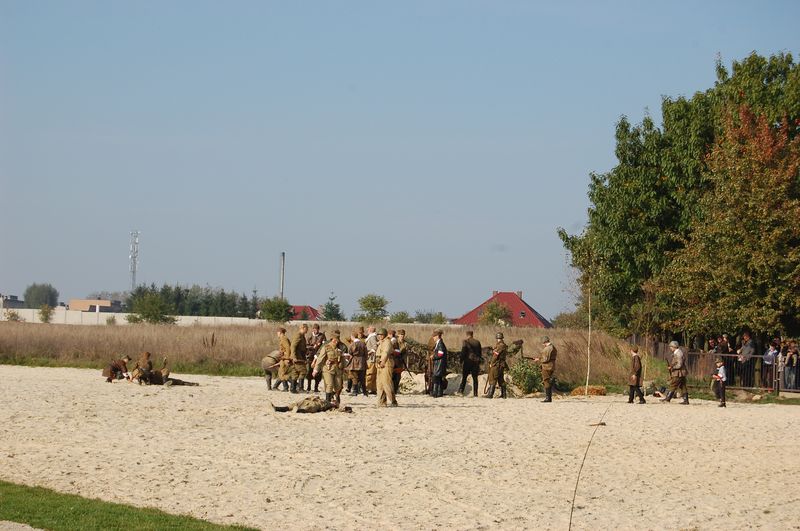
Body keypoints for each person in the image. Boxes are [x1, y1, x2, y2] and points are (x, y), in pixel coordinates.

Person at [313, 331, 348, 406]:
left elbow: (343, 359)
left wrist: (345, 368)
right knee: (329, 385)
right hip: (328, 369)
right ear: (333, 339)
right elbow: (320, 359)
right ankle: (327, 402)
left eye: (338, 339)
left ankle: (335, 396)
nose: (337, 341)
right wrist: (316, 370)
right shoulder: (326, 347)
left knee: (338, 386)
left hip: (337, 369)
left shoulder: (339, 349)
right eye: (336, 339)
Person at [376, 328, 397, 407]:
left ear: (384, 335)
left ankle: (393, 401)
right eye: (379, 335)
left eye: (381, 335)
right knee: (380, 384)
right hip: (380, 363)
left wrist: (383, 361)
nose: (380, 336)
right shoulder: (381, 342)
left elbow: (386, 352)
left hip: (386, 363)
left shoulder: (387, 342)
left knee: (387, 383)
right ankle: (382, 402)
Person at [533, 336, 557, 403]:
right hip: (551, 366)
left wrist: (538, 359)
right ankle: (548, 397)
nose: (542, 344)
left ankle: (548, 398)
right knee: (547, 381)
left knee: (546, 381)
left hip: (547, 367)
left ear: (545, 342)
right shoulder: (553, 347)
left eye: (543, 343)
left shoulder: (548, 348)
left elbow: (545, 359)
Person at [459, 330, 482, 397]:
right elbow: (480, 352)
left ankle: (461, 391)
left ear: (467, 334)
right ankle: (475, 393)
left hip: (468, 362)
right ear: (472, 334)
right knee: (475, 378)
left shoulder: (465, 342)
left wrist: (461, 360)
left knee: (464, 377)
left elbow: (463, 352)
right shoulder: (477, 342)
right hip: (476, 362)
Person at [268, 396, 352, 414]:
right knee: (292, 405)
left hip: (317, 405)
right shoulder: (326, 401)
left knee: (308, 409)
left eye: (335, 402)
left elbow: (341, 409)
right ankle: (277, 408)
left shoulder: (330, 406)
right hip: (308, 400)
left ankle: (298, 410)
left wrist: (345, 409)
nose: (334, 401)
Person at [486, 332, 507, 399]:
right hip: (501, 365)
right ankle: (503, 395)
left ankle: (490, 394)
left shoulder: (500, 345)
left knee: (493, 378)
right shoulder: (502, 345)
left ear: (498, 338)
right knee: (500, 379)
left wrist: (491, 363)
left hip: (497, 364)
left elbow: (495, 355)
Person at [348, 329, 368, 396]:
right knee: (362, 377)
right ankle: (365, 391)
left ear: (352, 336)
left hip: (355, 361)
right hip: (362, 361)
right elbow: (366, 353)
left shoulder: (352, 344)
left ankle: (355, 391)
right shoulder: (363, 344)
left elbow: (350, 352)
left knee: (354, 376)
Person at [306, 324, 326, 392]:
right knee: (309, 371)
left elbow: (325, 345)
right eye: (315, 329)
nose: (316, 330)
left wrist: (320, 345)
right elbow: (306, 346)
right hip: (310, 356)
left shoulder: (322, 336)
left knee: (318, 372)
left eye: (317, 329)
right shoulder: (309, 336)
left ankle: (316, 388)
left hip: (319, 356)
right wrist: (312, 347)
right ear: (313, 329)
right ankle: (308, 387)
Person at [290, 324, 309, 393]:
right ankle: (300, 388)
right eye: (306, 329)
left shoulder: (302, 336)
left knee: (295, 372)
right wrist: (294, 357)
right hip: (297, 356)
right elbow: (293, 346)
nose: (307, 330)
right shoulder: (298, 335)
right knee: (303, 371)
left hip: (301, 356)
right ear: (303, 328)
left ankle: (293, 388)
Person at [430, 329, 447, 398]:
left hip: (439, 364)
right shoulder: (439, 343)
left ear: (437, 336)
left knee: (435, 378)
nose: (433, 338)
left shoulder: (440, 343)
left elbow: (440, 354)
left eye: (434, 336)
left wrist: (433, 357)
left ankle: (435, 393)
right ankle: (440, 393)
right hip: (440, 364)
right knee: (439, 378)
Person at [392, 329, 408, 393]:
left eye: (403, 335)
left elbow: (406, 354)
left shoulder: (405, 343)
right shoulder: (395, 342)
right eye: (401, 335)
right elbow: (394, 351)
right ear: (398, 335)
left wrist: (405, 363)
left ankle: (395, 390)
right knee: (393, 376)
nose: (402, 336)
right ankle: (392, 389)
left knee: (398, 377)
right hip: (394, 361)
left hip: (400, 362)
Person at [365, 326, 378, 395]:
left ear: (370, 330)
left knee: (369, 374)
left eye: (368, 329)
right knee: (373, 374)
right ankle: (373, 388)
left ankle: (368, 388)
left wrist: (369, 353)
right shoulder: (372, 336)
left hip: (371, 358)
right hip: (371, 358)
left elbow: (375, 347)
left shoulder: (372, 337)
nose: (367, 330)